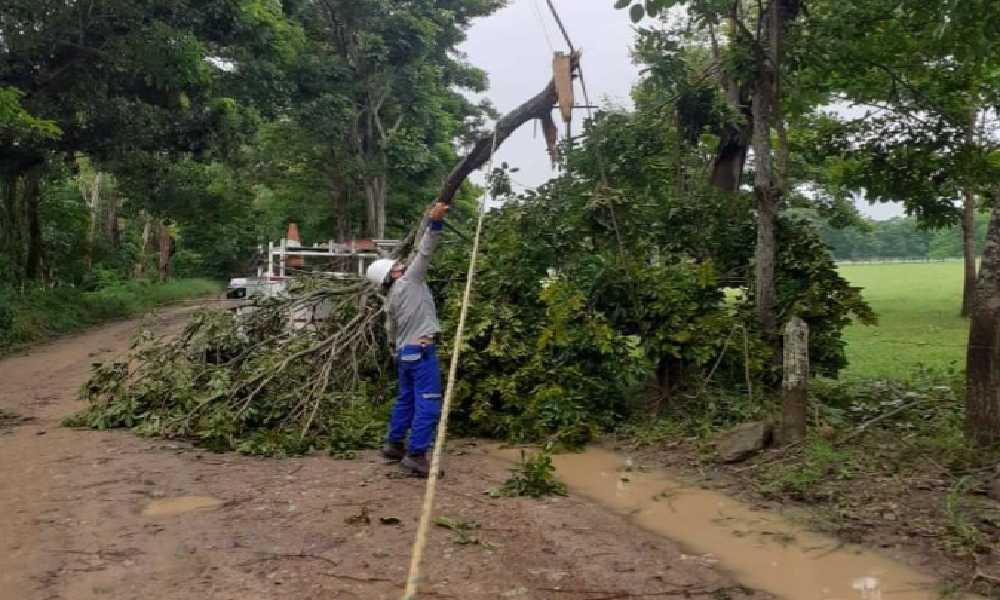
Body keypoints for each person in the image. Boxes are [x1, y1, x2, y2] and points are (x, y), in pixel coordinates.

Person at [365, 202, 450, 477]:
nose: (402, 264)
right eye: (398, 265)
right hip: (421, 350)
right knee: (428, 402)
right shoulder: (409, 281)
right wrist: (434, 222)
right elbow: (425, 251)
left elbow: (391, 330)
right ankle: (415, 456)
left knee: (406, 400)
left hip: (404, 353)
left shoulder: (389, 300)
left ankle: (394, 444)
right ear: (393, 274)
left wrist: (394, 350)